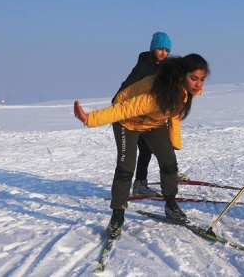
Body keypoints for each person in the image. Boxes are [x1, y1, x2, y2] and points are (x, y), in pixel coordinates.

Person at [74, 54, 210, 238]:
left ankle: (171, 205)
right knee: (126, 168)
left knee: (169, 164)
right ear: (180, 76)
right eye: (194, 79)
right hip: (127, 122)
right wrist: (89, 118)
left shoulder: (185, 91)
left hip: (153, 124)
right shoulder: (157, 93)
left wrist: (174, 141)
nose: (198, 84)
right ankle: (117, 216)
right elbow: (124, 109)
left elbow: (175, 113)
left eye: (202, 79)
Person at [114, 32, 190, 198]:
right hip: (136, 116)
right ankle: (140, 183)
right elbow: (127, 85)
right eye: (160, 49)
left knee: (165, 145)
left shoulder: (165, 67)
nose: (163, 53)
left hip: (154, 115)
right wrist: (117, 102)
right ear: (153, 48)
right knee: (145, 150)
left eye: (166, 50)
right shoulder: (143, 67)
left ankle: (171, 173)